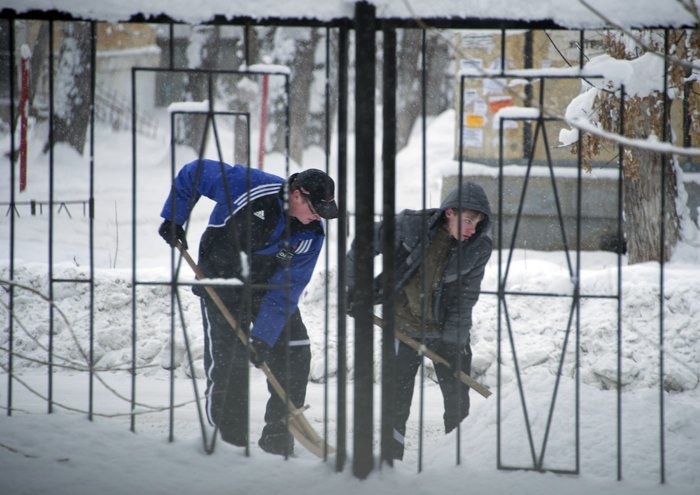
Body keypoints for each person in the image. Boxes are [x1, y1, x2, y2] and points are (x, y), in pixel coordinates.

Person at [158, 159, 338, 456]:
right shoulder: (251, 186)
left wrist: (263, 338)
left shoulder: (310, 235)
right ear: (296, 195)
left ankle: (277, 440)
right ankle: (229, 445)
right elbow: (195, 172)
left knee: (295, 349)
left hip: (267, 288)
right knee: (230, 364)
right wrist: (175, 218)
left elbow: (287, 290)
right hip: (222, 283)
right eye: (315, 210)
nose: (317, 218)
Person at [346, 181, 492, 460]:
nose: (473, 229)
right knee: (397, 400)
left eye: (478, 223)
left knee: (458, 399)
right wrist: (354, 290)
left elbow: (466, 297)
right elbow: (365, 241)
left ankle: (456, 459)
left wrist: (452, 343)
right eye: (469, 221)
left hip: (448, 327)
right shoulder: (409, 226)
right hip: (402, 323)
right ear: (449, 212)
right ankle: (391, 459)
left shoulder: (478, 247)